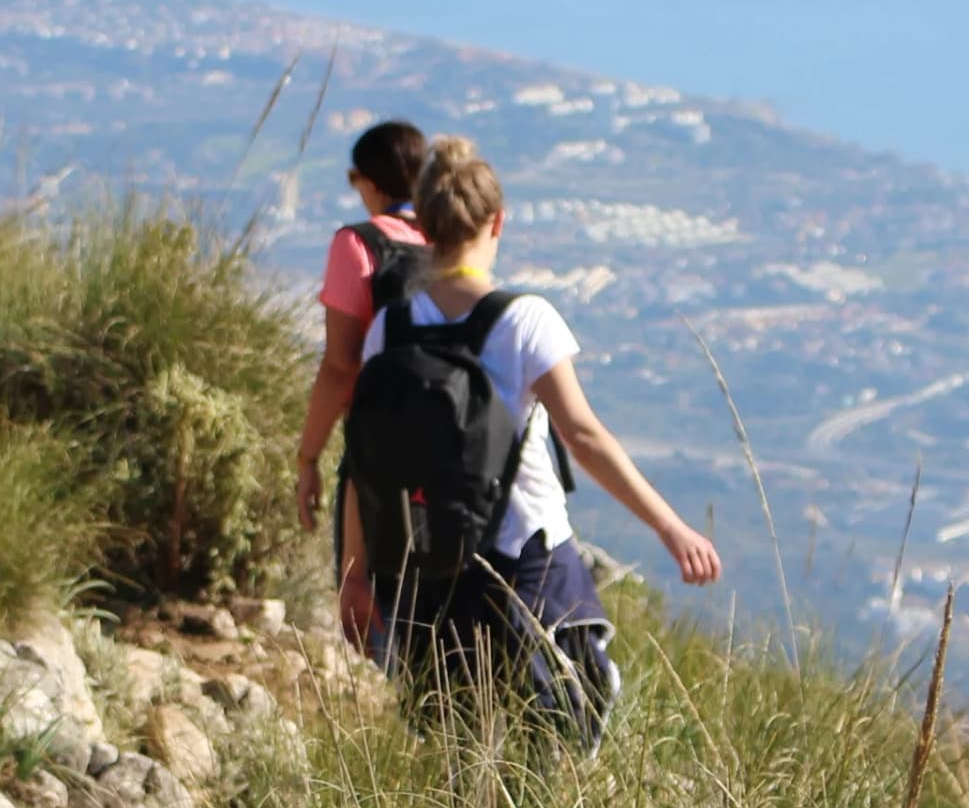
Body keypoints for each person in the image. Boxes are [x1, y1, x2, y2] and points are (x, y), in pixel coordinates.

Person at [342, 135, 719, 737]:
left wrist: (356, 573)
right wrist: (671, 528)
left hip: (426, 558)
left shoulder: (392, 325)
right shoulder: (524, 320)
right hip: (525, 552)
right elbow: (584, 437)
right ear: (498, 221)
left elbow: (362, 456)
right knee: (565, 717)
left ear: (428, 225)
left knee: (454, 729)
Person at [293, 119, 431, 538]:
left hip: (380, 447)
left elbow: (340, 367)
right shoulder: (451, 243)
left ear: (370, 183)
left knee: (367, 591)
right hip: (458, 446)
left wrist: (308, 459)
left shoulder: (357, 244)